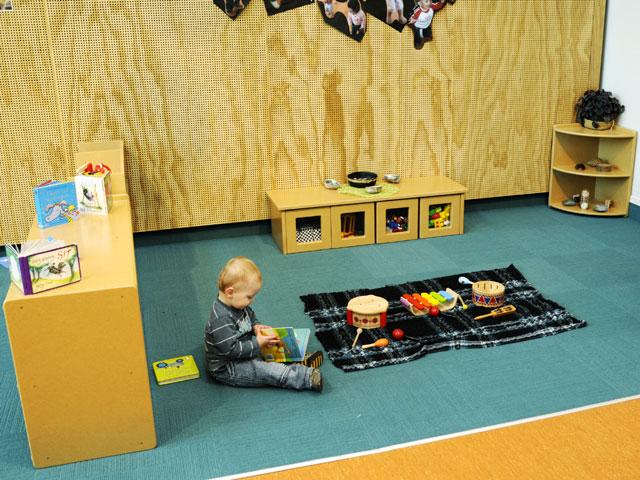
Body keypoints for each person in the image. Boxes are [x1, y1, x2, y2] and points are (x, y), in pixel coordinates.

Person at [205, 256, 323, 392]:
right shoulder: (221, 319)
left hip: (244, 352)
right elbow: (232, 350)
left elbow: (250, 315)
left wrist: (255, 326)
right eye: (249, 297)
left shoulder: (237, 304)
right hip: (228, 367)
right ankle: (305, 377)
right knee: (265, 370)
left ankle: (295, 358)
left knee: (271, 345)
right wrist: (257, 344)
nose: (252, 301)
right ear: (230, 292)